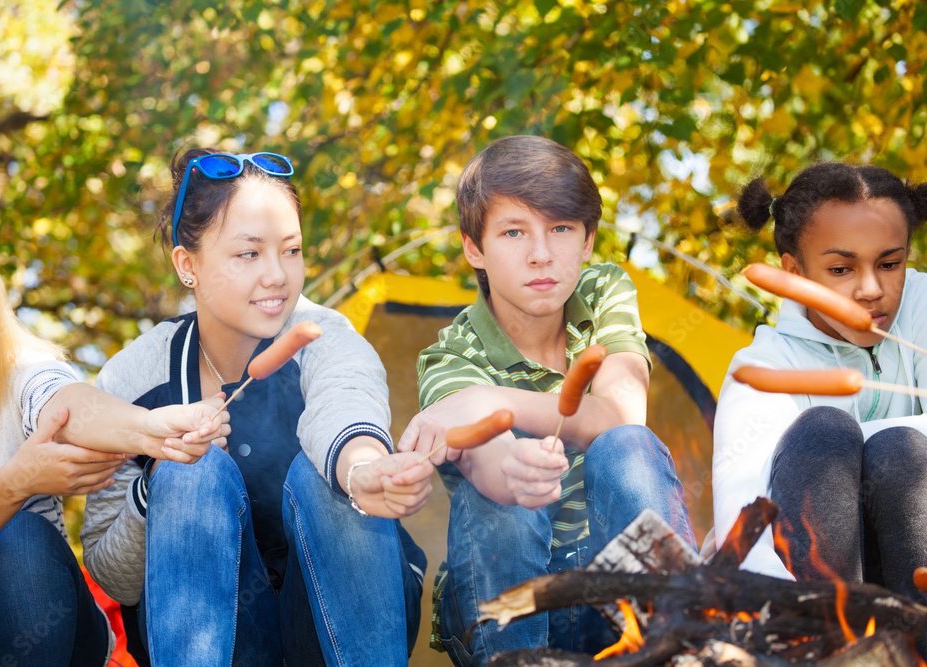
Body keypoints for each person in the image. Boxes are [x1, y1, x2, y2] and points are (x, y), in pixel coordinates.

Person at [81, 147, 433, 666]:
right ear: (188, 265)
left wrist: (359, 469)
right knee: (186, 472)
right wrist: (156, 475)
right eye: (249, 253)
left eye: (291, 250)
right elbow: (113, 578)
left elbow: (345, 397)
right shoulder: (132, 378)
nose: (277, 276)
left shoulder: (325, 336)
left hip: (340, 622)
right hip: (220, 639)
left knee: (325, 476)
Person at [397, 135, 696, 665]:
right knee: (502, 502)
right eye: (514, 232)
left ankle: (680, 645)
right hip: (511, 599)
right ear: (474, 248)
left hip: (611, 591)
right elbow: (492, 469)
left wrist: (491, 400)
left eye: (560, 229)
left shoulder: (602, 290)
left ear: (586, 241)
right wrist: (512, 461)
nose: (541, 254)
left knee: (628, 445)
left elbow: (623, 414)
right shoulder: (450, 357)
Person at [0, 192, 228, 667]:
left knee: (18, 538)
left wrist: (148, 428)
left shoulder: (21, 368)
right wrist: (18, 480)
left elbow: (68, 404)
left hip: (46, 631)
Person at [712, 163, 927, 651]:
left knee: (900, 451)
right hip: (816, 585)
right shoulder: (764, 363)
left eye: (889, 263)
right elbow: (744, 516)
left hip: (919, 563)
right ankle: (831, 650)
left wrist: (879, 446)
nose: (870, 288)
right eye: (841, 269)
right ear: (793, 272)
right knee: (825, 432)